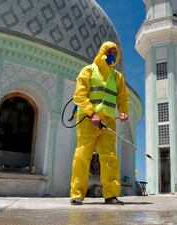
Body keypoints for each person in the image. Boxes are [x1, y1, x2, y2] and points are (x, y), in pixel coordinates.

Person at [70, 41, 129, 205]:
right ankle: (77, 194)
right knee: (82, 156)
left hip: (109, 121)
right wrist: (92, 113)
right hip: (88, 120)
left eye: (114, 53)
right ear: (101, 52)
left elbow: (123, 98)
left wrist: (124, 111)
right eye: (108, 51)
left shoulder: (118, 77)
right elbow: (79, 96)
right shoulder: (88, 71)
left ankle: (110, 195)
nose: (111, 55)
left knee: (109, 157)